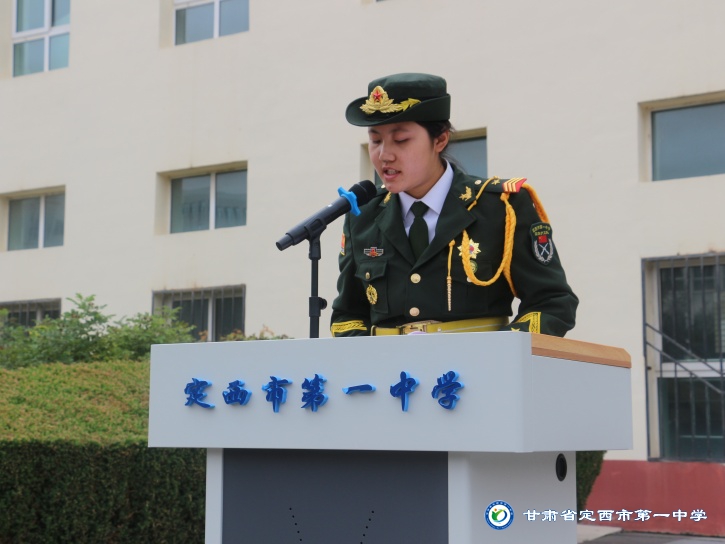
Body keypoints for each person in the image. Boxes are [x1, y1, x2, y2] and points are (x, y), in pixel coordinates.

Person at [330, 73, 578, 337]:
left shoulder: (501, 207)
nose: (384, 155)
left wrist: (499, 351)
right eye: (376, 140)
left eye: (401, 140)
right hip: (389, 364)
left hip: (477, 362)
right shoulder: (363, 215)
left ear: (440, 140)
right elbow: (348, 315)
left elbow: (552, 303)